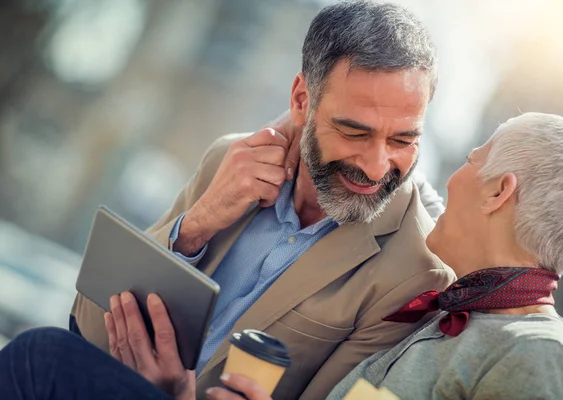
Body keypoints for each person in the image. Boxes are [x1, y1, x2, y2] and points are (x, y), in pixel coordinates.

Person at [1, 112, 563, 400]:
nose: (458, 175)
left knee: (41, 360)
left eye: (474, 160)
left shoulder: (536, 356)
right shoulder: (449, 317)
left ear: (499, 191)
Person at [71, 2, 455, 399]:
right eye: (354, 133)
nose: (376, 169)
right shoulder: (229, 161)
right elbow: (87, 325)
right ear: (302, 101)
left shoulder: (417, 275)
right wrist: (199, 223)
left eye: (403, 140)